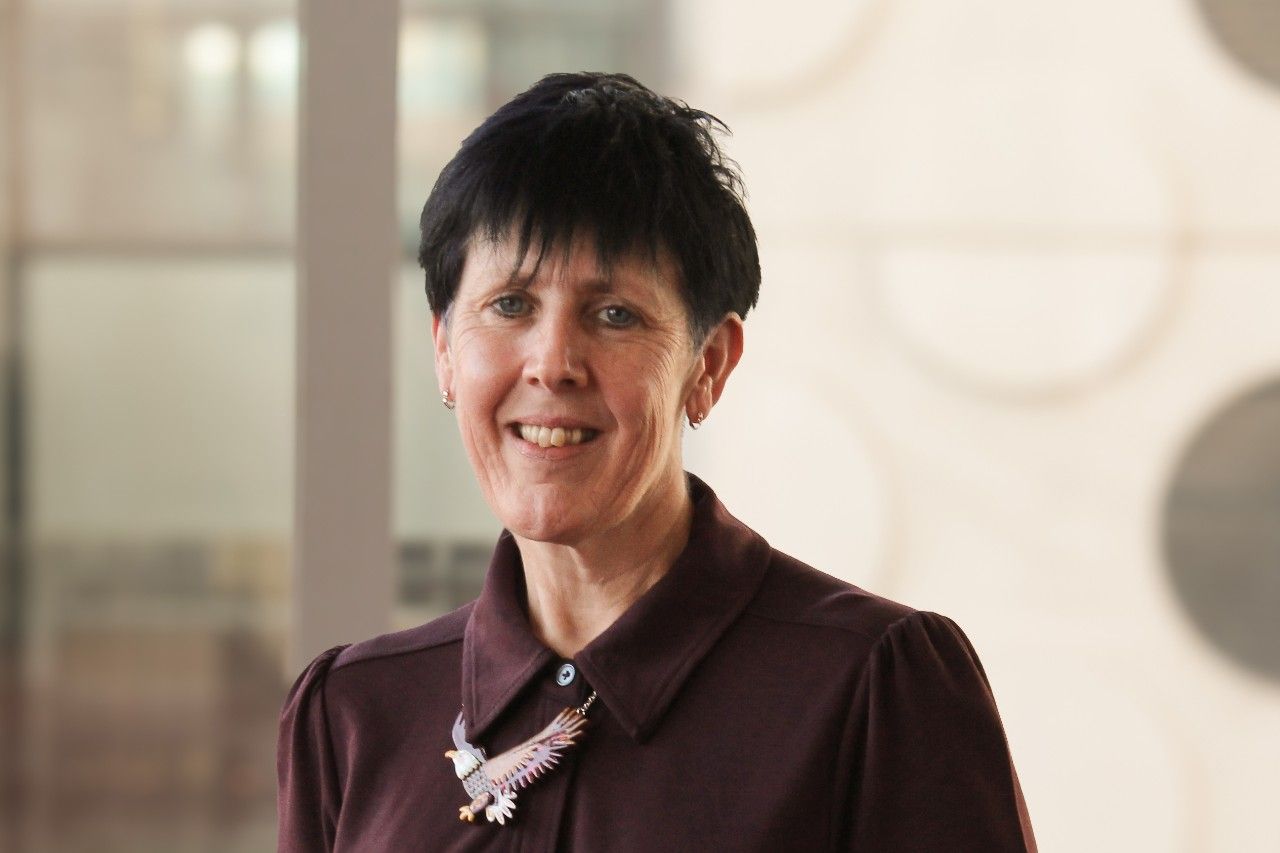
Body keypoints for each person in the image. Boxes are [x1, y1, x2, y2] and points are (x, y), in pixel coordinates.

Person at [277, 72, 1037, 852]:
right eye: (510, 305)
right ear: (443, 349)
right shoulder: (353, 714)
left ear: (709, 362)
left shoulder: (876, 688)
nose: (552, 363)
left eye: (615, 315)